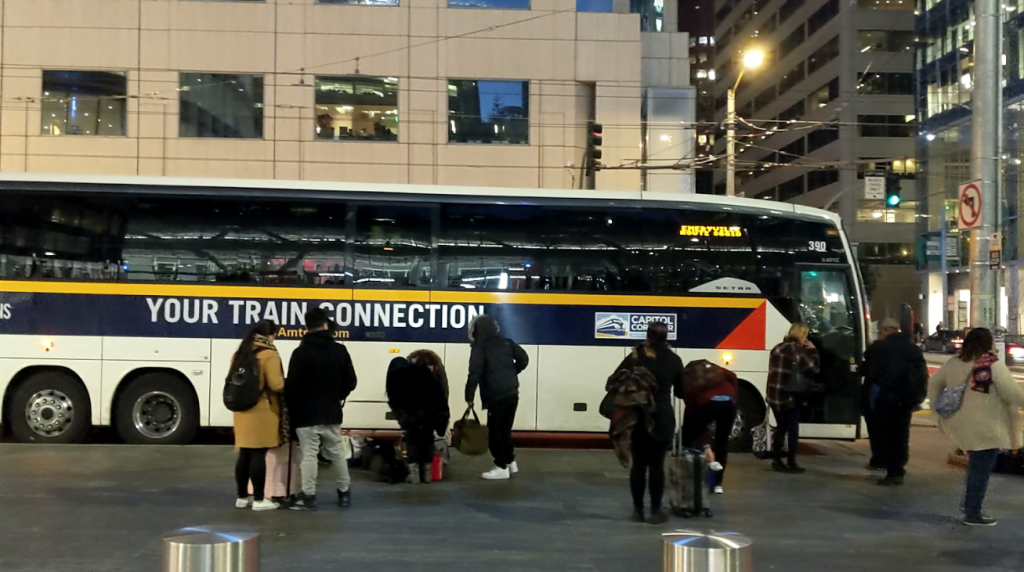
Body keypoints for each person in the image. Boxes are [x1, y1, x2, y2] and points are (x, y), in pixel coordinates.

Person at [928, 328, 1024, 526]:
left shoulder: (954, 362)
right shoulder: (992, 365)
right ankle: (973, 512)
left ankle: (969, 506)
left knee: (975, 468)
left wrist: (936, 409)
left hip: (961, 424)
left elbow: (934, 382)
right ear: (988, 343)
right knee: (980, 471)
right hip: (986, 427)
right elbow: (1013, 394)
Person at [286, 308, 358, 511]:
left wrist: (294, 408)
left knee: (309, 455)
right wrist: (338, 396)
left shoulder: (300, 353)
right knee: (337, 453)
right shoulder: (340, 350)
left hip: (306, 414)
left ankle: (309, 497)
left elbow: (292, 387)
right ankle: (344, 493)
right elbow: (351, 381)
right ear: (325, 325)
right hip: (331, 411)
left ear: (307, 326)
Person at [613, 321, 684, 525]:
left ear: (648, 335)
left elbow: (617, 378)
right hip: (662, 417)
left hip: (638, 416)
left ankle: (637, 511)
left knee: (638, 464)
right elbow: (681, 392)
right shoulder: (674, 359)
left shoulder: (636, 356)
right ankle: (655, 511)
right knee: (656, 465)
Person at [862, 318, 928, 486]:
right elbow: (922, 373)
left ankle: (889, 469)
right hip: (905, 399)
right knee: (901, 434)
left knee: (885, 433)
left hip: (885, 397)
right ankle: (898, 469)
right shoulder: (912, 348)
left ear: (885, 331)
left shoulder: (879, 347)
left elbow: (871, 372)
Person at [465, 315, 529, 481]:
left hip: (495, 395)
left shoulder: (479, 347)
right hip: (512, 392)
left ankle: (501, 466)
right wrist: (512, 372)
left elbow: (474, 374)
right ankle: (511, 462)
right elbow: (524, 359)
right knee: (505, 430)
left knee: (495, 432)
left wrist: (469, 396)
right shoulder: (506, 343)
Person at [231, 320, 286, 512]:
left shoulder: (241, 352)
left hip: (241, 409)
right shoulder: (269, 354)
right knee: (258, 454)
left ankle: (241, 497)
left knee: (244, 453)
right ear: (270, 335)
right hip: (261, 409)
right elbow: (276, 385)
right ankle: (259, 499)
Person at [386, 350, 450, 483]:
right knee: (428, 440)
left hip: (412, 415)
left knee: (412, 441)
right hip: (430, 413)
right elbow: (441, 397)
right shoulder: (428, 375)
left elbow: (396, 401)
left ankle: (414, 475)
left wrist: (402, 418)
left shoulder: (397, 377)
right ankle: (426, 475)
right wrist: (442, 425)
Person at [766, 323, 820, 474]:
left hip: (774, 395)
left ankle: (777, 460)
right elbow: (814, 368)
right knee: (792, 429)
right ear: (802, 336)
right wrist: (813, 350)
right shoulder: (798, 351)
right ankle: (791, 461)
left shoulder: (777, 348)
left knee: (781, 428)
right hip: (790, 396)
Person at [680, 362, 738, 494]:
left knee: (688, 433)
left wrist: (706, 446)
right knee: (722, 441)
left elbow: (692, 413)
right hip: (729, 403)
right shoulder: (715, 370)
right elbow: (733, 376)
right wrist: (734, 396)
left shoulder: (688, 381)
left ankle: (691, 475)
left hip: (709, 405)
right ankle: (718, 484)